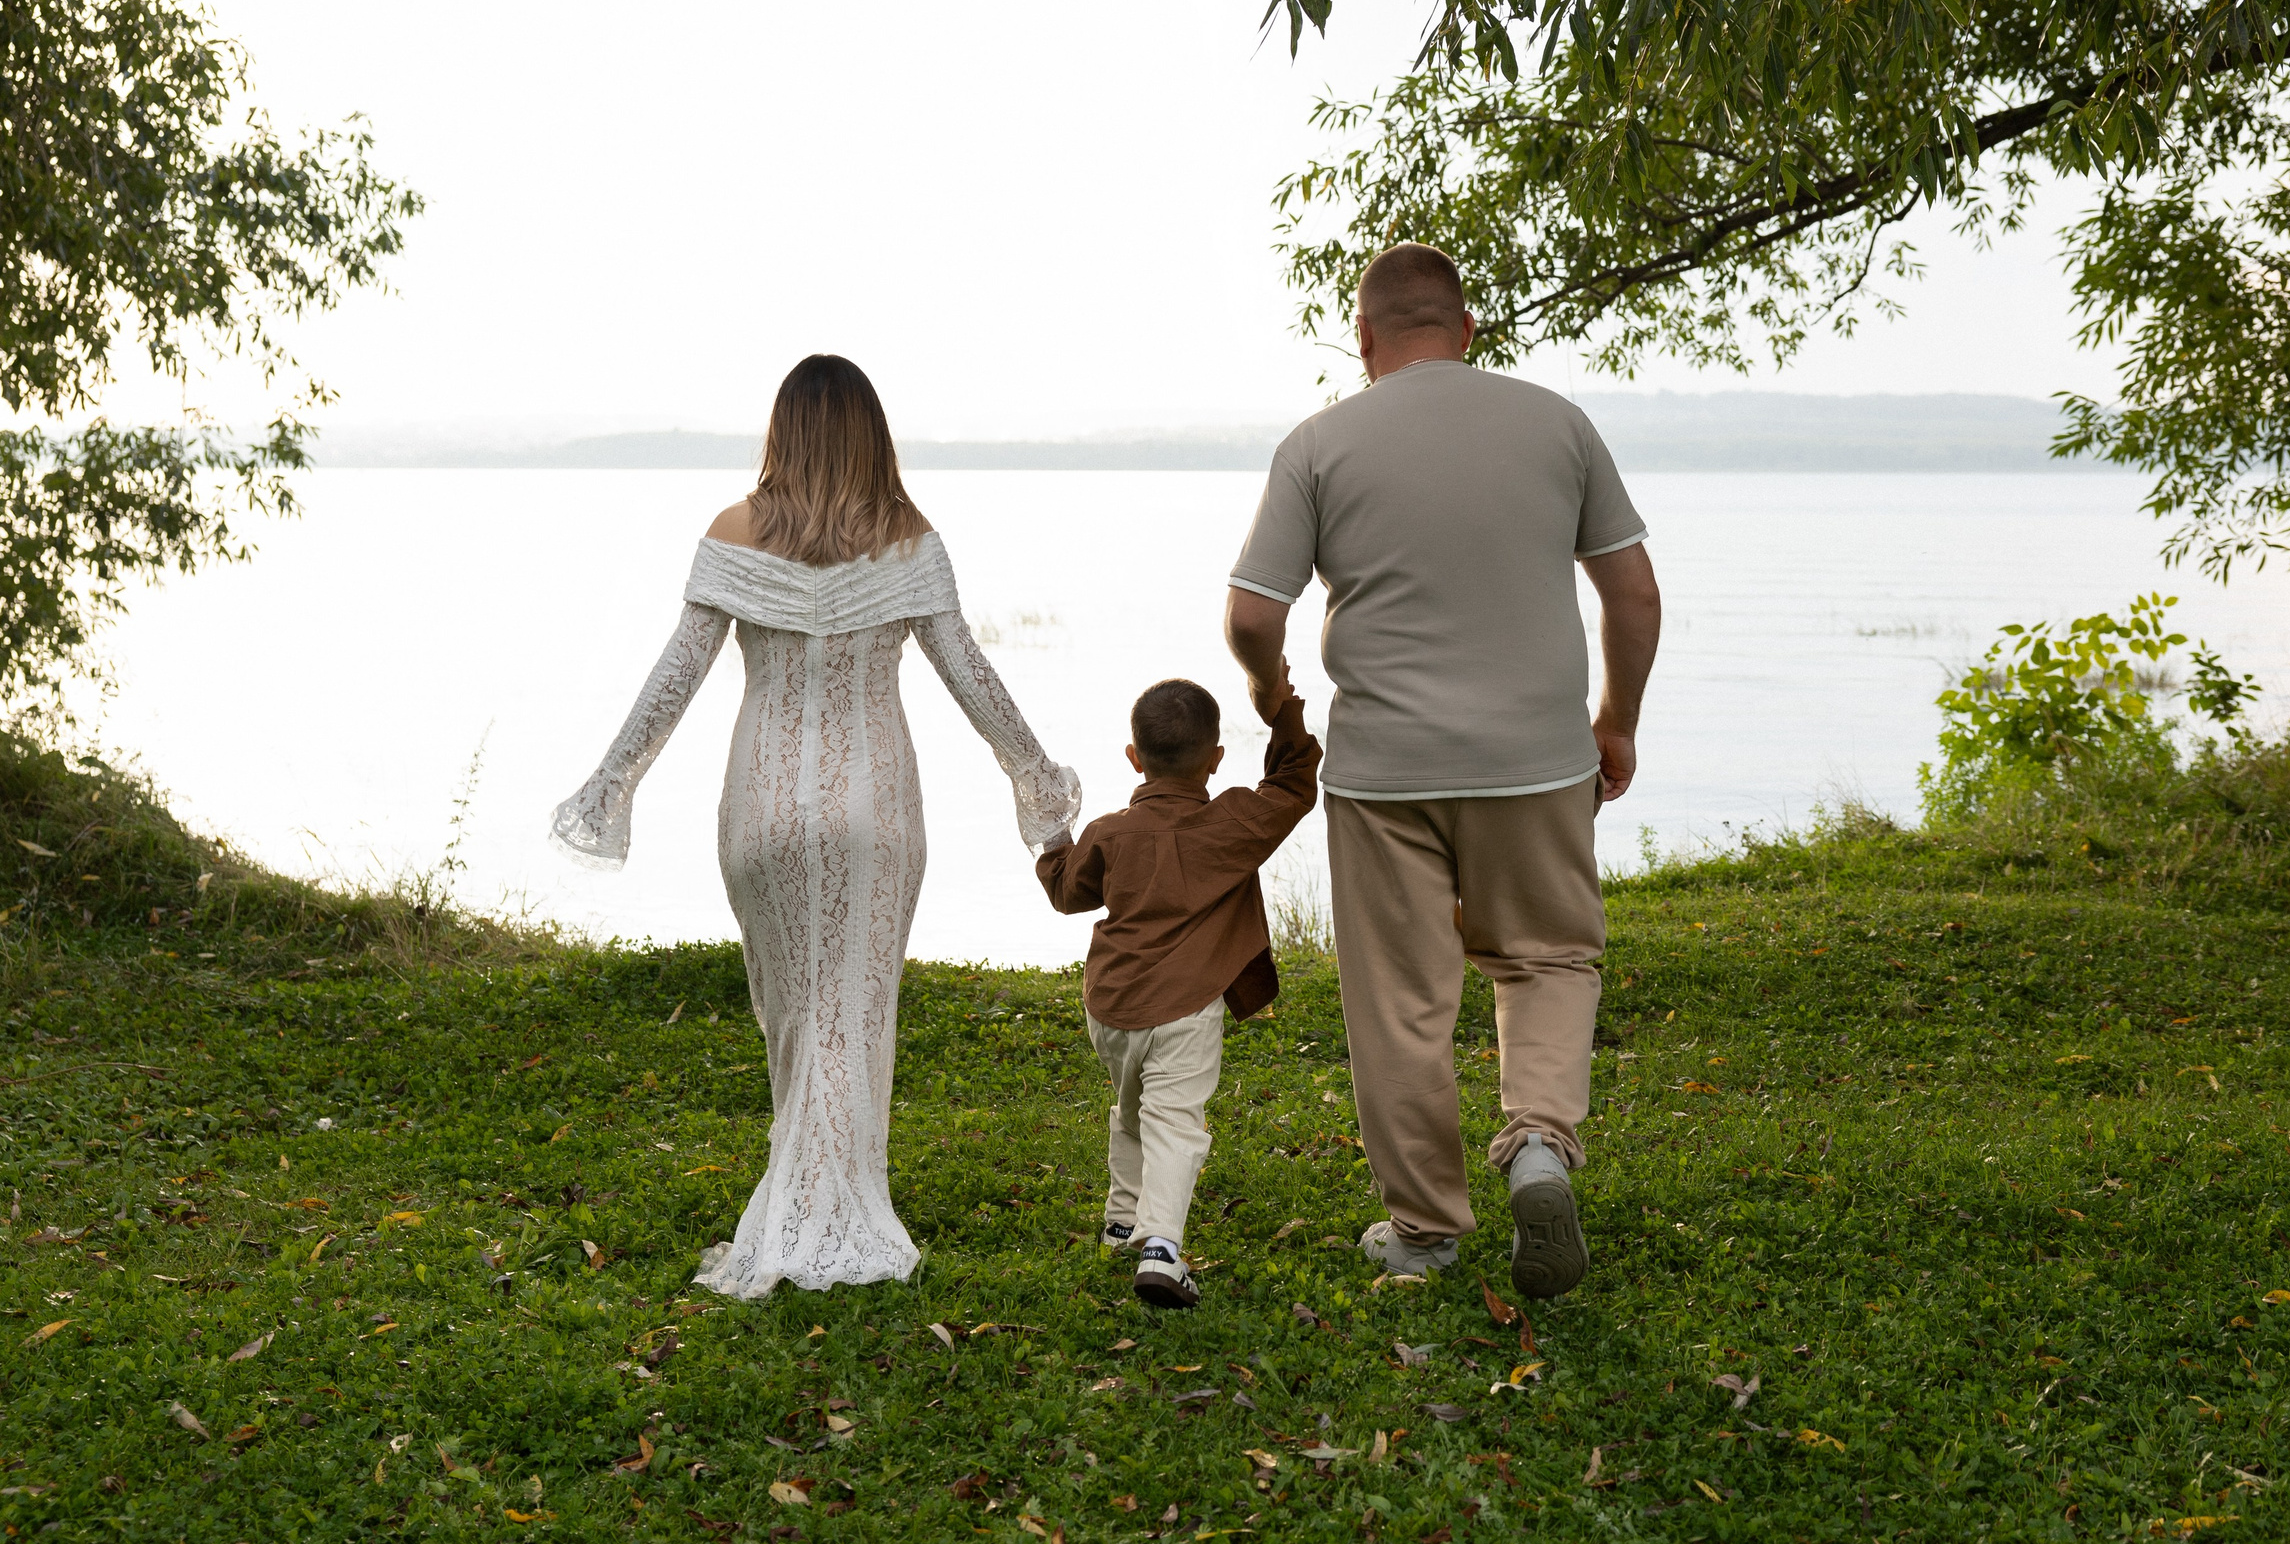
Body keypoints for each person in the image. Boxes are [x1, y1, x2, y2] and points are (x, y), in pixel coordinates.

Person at [551, 354, 1080, 1300]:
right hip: (876, 807)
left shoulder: (731, 532)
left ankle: (801, 1207)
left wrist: (610, 783)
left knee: (795, 1016)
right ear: (871, 435)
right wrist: (1036, 782)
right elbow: (973, 680)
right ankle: (831, 1214)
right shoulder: (911, 539)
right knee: (853, 1013)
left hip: (760, 806)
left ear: (781, 431)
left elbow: (675, 678)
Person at [1223, 243, 1663, 1302]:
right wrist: (1617, 721)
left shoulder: (1319, 442)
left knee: (1400, 999)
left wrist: (1272, 696)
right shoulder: (1556, 423)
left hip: (1385, 769)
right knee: (1549, 955)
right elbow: (1633, 596)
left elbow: (1250, 612)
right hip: (1537, 759)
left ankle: (1422, 1230)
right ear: (1468, 329)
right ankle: (1542, 1145)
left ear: (1362, 336)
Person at [1035, 676, 1320, 1308]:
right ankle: (1162, 1249)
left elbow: (1066, 892)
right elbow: (1296, 782)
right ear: (1216, 759)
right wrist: (1282, 708)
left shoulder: (1110, 833)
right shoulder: (1237, 821)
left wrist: (1053, 835)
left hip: (1111, 1005)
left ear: (1133, 757)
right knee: (1175, 1122)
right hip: (1186, 1006)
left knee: (1133, 1106)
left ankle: (1121, 1218)